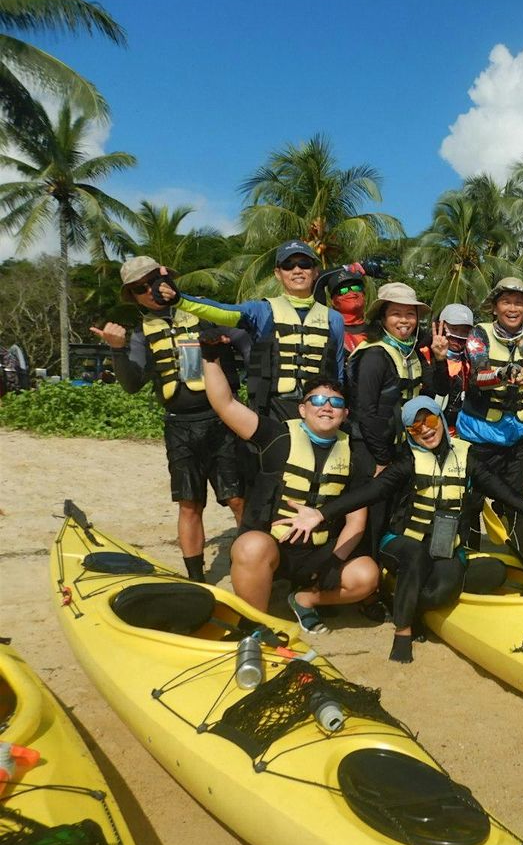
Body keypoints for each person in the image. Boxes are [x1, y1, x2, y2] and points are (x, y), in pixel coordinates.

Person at [272, 396, 523, 663]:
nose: (426, 430)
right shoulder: (407, 462)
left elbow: (508, 494)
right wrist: (321, 514)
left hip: (444, 547)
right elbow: (368, 493)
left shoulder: (467, 458)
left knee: (454, 585)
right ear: (409, 431)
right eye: (416, 425)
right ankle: (403, 631)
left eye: (431, 421)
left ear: (441, 419)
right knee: (415, 555)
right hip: (400, 544)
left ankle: (409, 595)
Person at [199, 335, 378, 634]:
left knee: (367, 575)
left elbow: (356, 522)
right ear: (302, 409)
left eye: (336, 402)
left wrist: (335, 561)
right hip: (274, 548)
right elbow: (225, 404)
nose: (326, 407)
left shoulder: (355, 453)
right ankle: (256, 623)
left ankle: (305, 600)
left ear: (345, 413)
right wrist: (210, 357)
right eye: (317, 400)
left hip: (320, 554)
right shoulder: (276, 436)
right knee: (249, 547)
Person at [90, 257, 249, 581]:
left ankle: (253, 565)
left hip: (222, 421)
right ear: (133, 296)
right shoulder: (141, 334)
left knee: (238, 498)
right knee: (189, 503)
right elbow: (133, 384)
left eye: (153, 280)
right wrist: (118, 350)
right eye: (139, 288)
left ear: (168, 276)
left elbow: (247, 337)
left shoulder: (205, 312)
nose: (149, 290)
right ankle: (196, 578)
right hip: (178, 425)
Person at [161, 240, 346, 419]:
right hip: (273, 410)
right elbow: (221, 311)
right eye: (288, 265)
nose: (297, 270)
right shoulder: (261, 310)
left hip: (318, 412)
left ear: (315, 271)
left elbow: (338, 374)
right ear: (278, 273)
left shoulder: (334, 319)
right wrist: (180, 300)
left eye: (304, 264)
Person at [457, 276, 523, 549]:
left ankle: (518, 557)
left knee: (516, 501)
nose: (513, 308)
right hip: (480, 435)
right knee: (471, 500)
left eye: (519, 303)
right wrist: (502, 375)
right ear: (494, 307)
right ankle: (467, 556)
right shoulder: (478, 335)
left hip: (519, 438)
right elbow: (478, 375)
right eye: (506, 302)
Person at [346, 283, 449, 472]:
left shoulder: (412, 352)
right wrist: (382, 459)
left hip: (401, 446)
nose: (404, 320)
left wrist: (440, 360)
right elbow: (365, 412)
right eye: (396, 314)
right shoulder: (374, 355)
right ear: (382, 319)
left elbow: (440, 390)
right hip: (372, 450)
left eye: (410, 314)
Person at [434, 302, 475, 435]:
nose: (458, 336)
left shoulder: (471, 360)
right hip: (433, 428)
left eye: (464, 331)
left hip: (461, 429)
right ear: (442, 326)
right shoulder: (427, 356)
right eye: (454, 329)